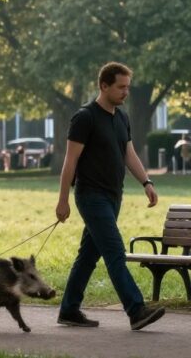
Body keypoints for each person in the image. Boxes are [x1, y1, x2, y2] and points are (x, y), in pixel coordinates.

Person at [56, 62, 165, 331]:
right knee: (115, 252)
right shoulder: (85, 118)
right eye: (121, 87)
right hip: (91, 196)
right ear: (103, 86)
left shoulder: (121, 117)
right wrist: (62, 200)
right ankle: (136, 310)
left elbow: (129, 153)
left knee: (88, 256)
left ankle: (69, 310)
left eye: (128, 87)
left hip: (114, 196)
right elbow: (70, 162)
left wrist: (146, 181)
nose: (126, 92)